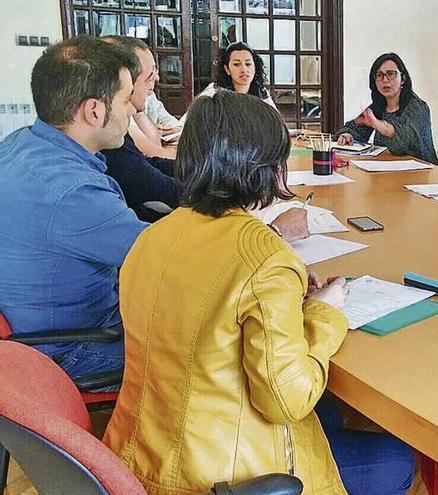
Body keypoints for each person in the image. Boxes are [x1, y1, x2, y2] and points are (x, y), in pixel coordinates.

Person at [103, 90, 415, 495]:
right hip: (223, 474)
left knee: (333, 414)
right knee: (398, 459)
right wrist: (325, 313)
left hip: (140, 454)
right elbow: (287, 402)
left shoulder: (153, 235)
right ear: (266, 167)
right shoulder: (264, 255)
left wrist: (286, 300)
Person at [0, 36, 145, 381]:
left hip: (30, 328)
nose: (134, 109)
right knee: (210, 339)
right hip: (72, 347)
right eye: (126, 99)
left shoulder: (21, 143)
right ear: (94, 110)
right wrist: (267, 233)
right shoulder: (74, 193)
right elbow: (173, 256)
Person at [101, 36, 182, 220]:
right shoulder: (106, 132)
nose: (157, 78)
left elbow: (146, 164)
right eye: (150, 74)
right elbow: (151, 184)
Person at [336, 52, 438, 164]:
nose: (385, 80)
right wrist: (347, 135)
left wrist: (380, 125)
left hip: (422, 173)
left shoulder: (418, 108)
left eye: (391, 74)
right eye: (379, 75)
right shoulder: (378, 107)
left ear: (403, 79)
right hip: (386, 171)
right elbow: (354, 128)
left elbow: (404, 142)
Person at [191, 41, 277, 111]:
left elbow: (276, 122)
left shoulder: (261, 92)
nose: (244, 69)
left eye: (248, 64)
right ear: (227, 69)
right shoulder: (213, 92)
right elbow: (188, 122)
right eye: (236, 64)